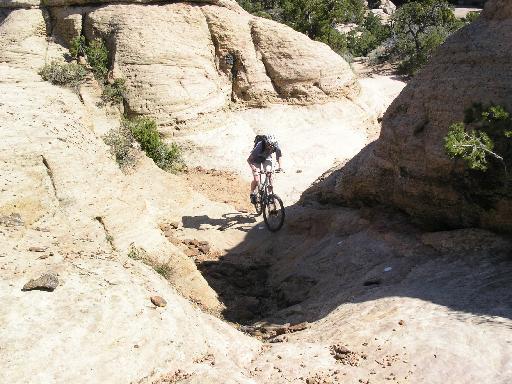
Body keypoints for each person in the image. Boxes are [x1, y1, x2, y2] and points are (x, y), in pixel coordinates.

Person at [247, 134, 283, 204]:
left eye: (272, 146)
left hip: (266, 158)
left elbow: (279, 156)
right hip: (255, 160)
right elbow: (249, 160)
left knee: (269, 174)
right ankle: (252, 193)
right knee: (256, 179)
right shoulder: (260, 146)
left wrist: (280, 167)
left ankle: (270, 195)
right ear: (266, 142)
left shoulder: (276, 145)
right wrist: (253, 168)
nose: (270, 147)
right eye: (269, 145)